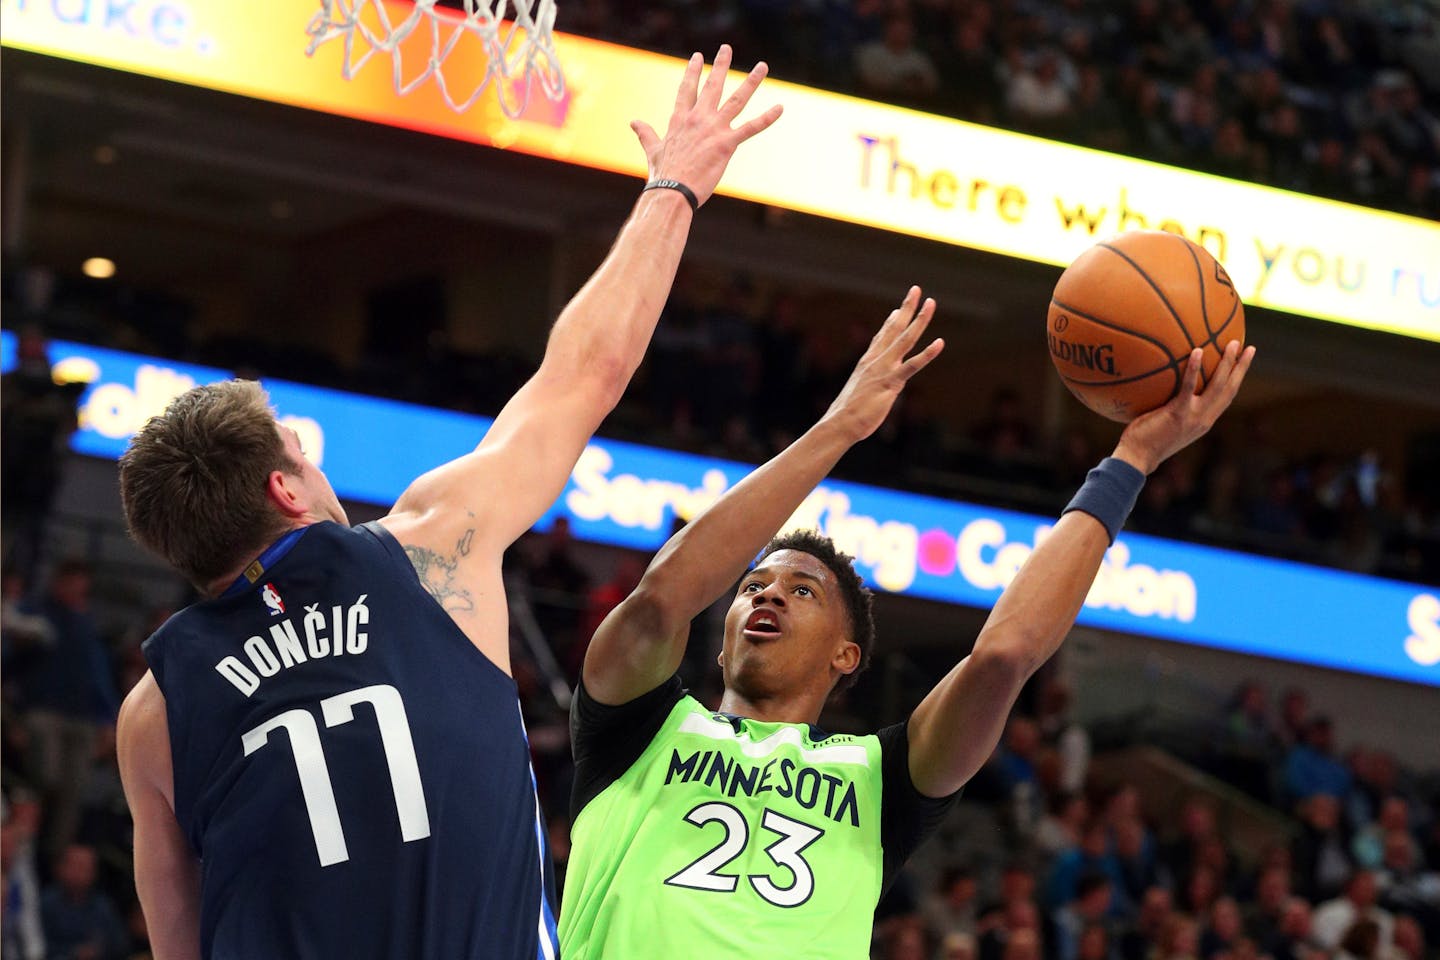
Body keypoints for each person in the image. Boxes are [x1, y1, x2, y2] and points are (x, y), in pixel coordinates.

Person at [112, 46, 783, 960]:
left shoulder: (154, 714)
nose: (311, 457)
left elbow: (180, 945)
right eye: (296, 446)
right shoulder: (431, 548)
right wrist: (674, 187)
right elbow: (588, 373)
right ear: (283, 488)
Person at [557, 285, 1255, 957]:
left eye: (802, 592)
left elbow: (1004, 656)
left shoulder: (880, 779)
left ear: (847, 655)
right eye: (752, 586)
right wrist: (841, 427)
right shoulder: (637, 731)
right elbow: (660, 600)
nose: (767, 596)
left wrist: (1131, 460)